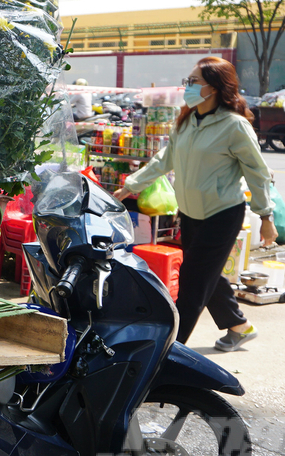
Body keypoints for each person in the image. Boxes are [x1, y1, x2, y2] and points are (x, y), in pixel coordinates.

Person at [115, 57, 276, 352]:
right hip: (189, 213)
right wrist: (130, 186)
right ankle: (239, 326)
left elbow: (258, 172)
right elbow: (164, 160)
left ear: (213, 88)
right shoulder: (186, 121)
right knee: (204, 274)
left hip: (222, 214)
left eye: (193, 82)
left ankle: (165, 358)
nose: (187, 87)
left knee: (191, 287)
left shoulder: (234, 126)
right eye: (187, 81)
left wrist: (266, 215)